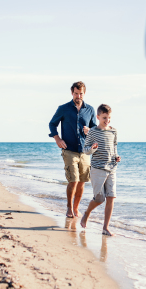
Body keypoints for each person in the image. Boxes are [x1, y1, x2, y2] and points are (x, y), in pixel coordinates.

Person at [49, 81, 97, 218]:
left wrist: (91, 131)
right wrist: (57, 139)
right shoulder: (63, 108)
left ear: (84, 93)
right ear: (72, 93)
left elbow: (95, 128)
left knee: (82, 181)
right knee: (73, 180)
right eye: (76, 93)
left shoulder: (90, 110)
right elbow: (52, 124)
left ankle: (76, 209)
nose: (78, 96)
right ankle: (69, 208)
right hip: (69, 150)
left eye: (81, 93)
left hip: (85, 151)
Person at [80, 104, 121, 236]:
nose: (107, 120)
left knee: (111, 197)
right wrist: (93, 148)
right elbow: (85, 150)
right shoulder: (93, 132)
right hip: (98, 169)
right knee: (99, 199)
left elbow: (114, 148)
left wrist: (116, 157)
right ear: (98, 117)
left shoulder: (114, 131)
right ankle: (87, 213)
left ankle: (105, 228)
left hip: (112, 168)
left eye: (109, 118)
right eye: (104, 117)